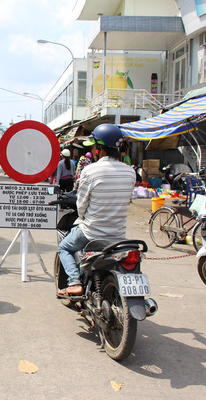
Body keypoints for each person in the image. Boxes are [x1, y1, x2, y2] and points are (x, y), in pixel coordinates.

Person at [57, 124, 136, 296]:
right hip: (118, 235)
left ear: (100, 148)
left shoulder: (90, 170)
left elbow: (82, 205)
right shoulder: (130, 172)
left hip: (91, 232)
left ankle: (74, 282)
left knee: (64, 247)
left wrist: (83, 218)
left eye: (94, 146)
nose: (93, 150)